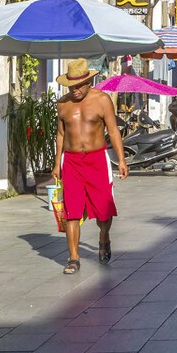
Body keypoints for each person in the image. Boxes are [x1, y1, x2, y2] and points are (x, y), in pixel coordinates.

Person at [51, 59, 128, 275]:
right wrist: (57, 163)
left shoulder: (102, 100)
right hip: (71, 161)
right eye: (71, 86)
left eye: (79, 85)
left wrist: (121, 160)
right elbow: (60, 135)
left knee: (103, 209)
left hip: (97, 159)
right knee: (72, 211)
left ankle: (104, 236)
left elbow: (113, 131)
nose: (75, 90)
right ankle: (73, 257)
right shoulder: (62, 104)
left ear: (89, 82)